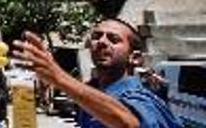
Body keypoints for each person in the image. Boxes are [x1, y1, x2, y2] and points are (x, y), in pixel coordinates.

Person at [13, 19, 183, 128]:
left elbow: (128, 123)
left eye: (113, 39)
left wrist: (59, 77)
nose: (101, 41)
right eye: (96, 36)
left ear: (135, 58)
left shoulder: (138, 98)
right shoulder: (91, 95)